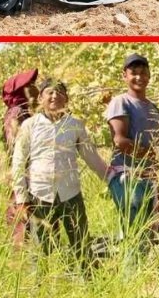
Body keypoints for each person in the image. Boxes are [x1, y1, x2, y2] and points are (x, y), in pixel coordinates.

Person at [10, 80, 108, 270]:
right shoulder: (30, 125)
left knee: (80, 243)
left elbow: (92, 157)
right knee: (42, 249)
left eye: (59, 92)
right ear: (40, 98)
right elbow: (18, 162)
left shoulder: (75, 125)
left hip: (71, 194)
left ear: (67, 98)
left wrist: (111, 178)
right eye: (49, 92)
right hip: (40, 196)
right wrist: (21, 198)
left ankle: (87, 284)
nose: (55, 96)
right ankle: (38, 290)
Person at [104, 54, 159, 245]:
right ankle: (130, 272)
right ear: (125, 76)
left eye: (143, 72)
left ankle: (146, 274)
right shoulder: (121, 102)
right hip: (127, 175)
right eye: (134, 73)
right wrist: (152, 154)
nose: (139, 77)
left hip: (149, 177)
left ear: (149, 75)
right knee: (134, 234)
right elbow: (120, 140)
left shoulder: (153, 108)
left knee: (150, 233)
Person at [1, 68, 39, 249]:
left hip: (24, 174)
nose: (35, 89)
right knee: (22, 220)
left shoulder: (21, 111)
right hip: (23, 175)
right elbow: (19, 151)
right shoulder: (18, 114)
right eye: (30, 85)